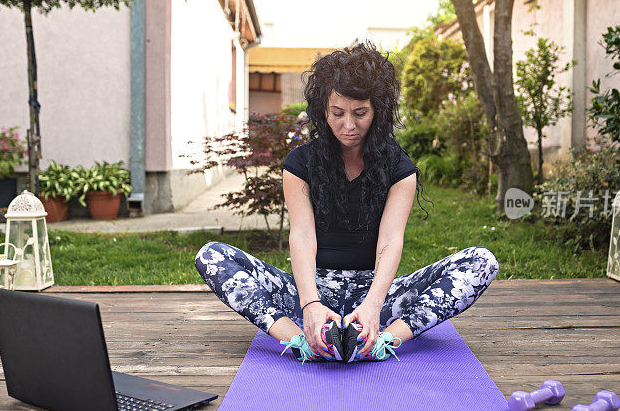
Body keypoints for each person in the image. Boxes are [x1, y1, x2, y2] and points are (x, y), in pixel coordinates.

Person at [195, 42, 499, 364]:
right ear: (322, 110)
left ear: (378, 111)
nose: (348, 126)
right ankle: (302, 341)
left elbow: (391, 240)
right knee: (212, 255)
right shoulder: (300, 163)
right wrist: (310, 304)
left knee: (482, 261)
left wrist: (372, 305)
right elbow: (301, 236)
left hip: (376, 293)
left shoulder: (399, 167)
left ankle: (381, 340)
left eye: (360, 113)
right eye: (337, 113)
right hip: (311, 289)